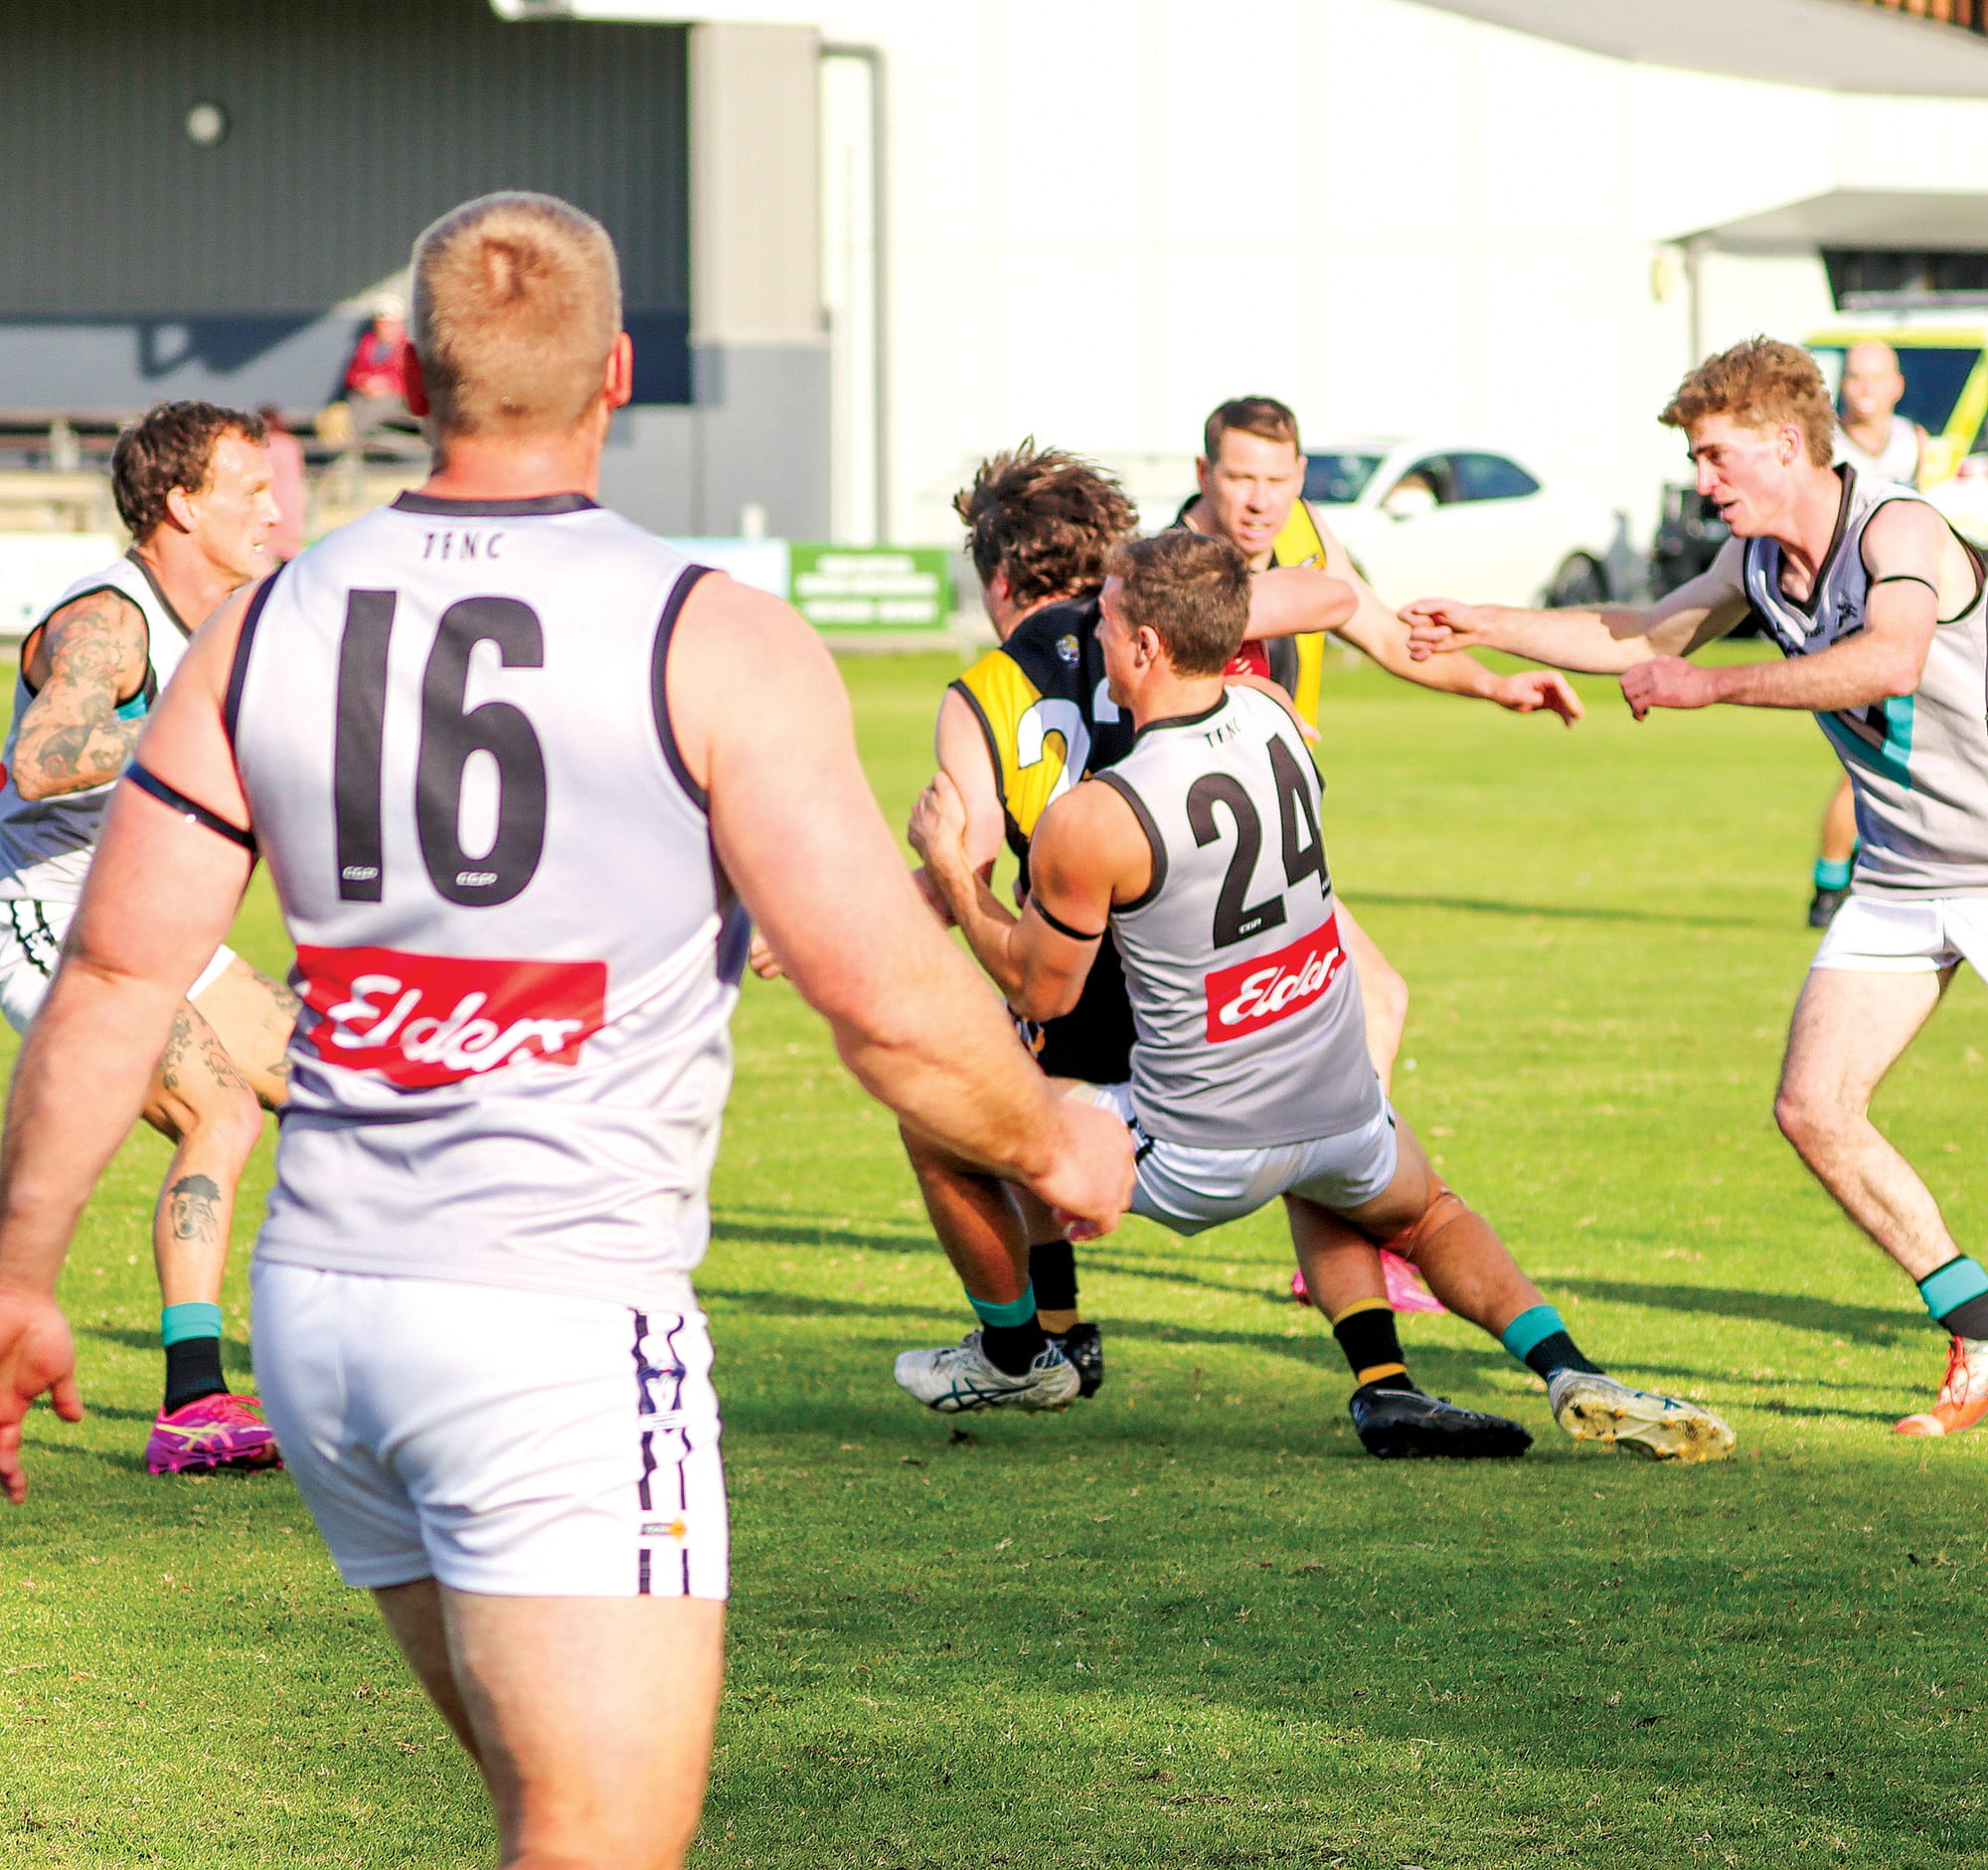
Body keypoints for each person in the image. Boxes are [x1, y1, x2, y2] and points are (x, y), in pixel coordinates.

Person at [0, 192, 1133, 1870]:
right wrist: (1052, 1139)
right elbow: (887, 996)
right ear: (613, 373)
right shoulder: (713, 632)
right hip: (555, 1317)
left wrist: (21, 1270)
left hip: (328, 1325)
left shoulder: (263, 631)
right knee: (596, 1838)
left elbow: (106, 976)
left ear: (421, 380)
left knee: (549, 1808)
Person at [902, 529, 1735, 1462]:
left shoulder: (1095, 816)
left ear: (1146, 647)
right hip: (1337, 1103)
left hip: (1195, 1149)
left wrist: (950, 868)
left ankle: (1017, 1352)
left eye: (1109, 616)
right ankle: (1570, 1369)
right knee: (1427, 1213)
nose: (1092, 630)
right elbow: (1319, 607)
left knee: (936, 1115)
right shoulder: (1276, 718)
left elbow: (1037, 994)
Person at [1404, 335, 1988, 1439]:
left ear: (1783, 444)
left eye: (1715, 456)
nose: (1699, 479)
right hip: (1907, 872)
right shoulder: (1754, 564)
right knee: (1812, 1107)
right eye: (1693, 458)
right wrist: (1479, 620)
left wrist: (1705, 689)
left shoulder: (1895, 526)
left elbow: (1888, 660)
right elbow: (1627, 632)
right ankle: (1979, 1333)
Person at [894, 442, 1361, 1403]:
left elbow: (965, 861)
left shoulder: (983, 689)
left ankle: (1027, 1348)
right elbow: (1333, 599)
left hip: (1081, 979)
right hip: (1210, 969)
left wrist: (825, 923)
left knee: (985, 1089)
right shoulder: (1152, 621)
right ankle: (1380, 1363)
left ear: (996, 575)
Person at [1179, 396, 1583, 1310]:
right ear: (1202, 475)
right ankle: (1358, 1237)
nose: (1259, 501)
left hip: (1277, 857)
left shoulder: (1306, 534)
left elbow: (1382, 628)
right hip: (1205, 864)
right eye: (1240, 478)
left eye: (1279, 480)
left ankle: (1344, 1237)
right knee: (1349, 1015)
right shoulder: (1178, 572)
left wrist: (1493, 683)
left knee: (1351, 1018)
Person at [0, 401, 295, 1474]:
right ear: (180, 503)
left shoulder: (231, 618)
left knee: (340, 1077)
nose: (273, 510)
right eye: (249, 491)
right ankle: (192, 1403)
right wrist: (175, 735)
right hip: (47, 916)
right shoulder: (109, 623)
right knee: (217, 1110)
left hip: (147, 912)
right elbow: (40, 759)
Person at [1808, 342, 1930, 928]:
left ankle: (1851, 876)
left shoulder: (1915, 442)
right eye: (1854, 375)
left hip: (1907, 609)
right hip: (1849, 613)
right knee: (1866, 757)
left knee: (1896, 755)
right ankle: (1831, 884)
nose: (1864, 387)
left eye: (1875, 377)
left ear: (1896, 386)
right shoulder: (1827, 445)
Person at [341, 293, 411, 442]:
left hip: (393, 400)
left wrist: (387, 385)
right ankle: (349, 446)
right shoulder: (367, 344)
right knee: (347, 412)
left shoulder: (407, 348)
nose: (386, 328)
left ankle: (350, 442)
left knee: (362, 418)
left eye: (391, 324)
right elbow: (351, 375)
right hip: (362, 397)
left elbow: (411, 382)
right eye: (382, 323)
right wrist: (363, 382)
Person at [256, 406, 308, 562]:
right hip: (292, 498)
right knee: (291, 549)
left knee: (268, 547)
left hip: (271, 496)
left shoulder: (262, 446)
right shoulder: (290, 443)